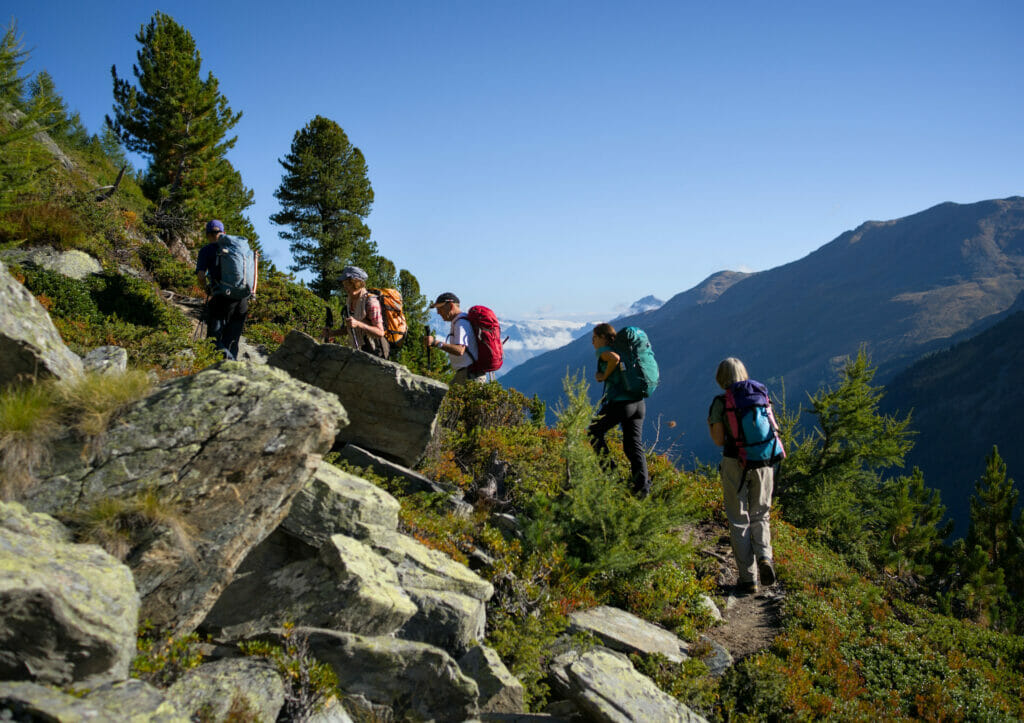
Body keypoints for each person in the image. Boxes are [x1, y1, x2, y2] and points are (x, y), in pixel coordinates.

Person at [707, 357, 777, 596]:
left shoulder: (721, 402)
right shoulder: (760, 395)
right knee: (761, 514)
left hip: (734, 461)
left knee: (739, 518)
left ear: (720, 377)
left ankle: (748, 579)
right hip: (764, 460)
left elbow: (718, 440)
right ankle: (765, 556)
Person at [587, 323, 650, 498]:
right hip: (638, 404)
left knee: (593, 432)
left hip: (621, 404)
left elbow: (614, 358)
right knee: (633, 446)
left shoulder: (604, 351)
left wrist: (603, 376)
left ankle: (612, 476)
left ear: (602, 337)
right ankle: (642, 490)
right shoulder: (627, 351)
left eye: (594, 338)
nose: (592, 342)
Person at [195, 219, 257, 360]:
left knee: (214, 339)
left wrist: (206, 289)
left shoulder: (207, 250)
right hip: (242, 300)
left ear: (207, 234)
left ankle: (216, 368)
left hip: (222, 298)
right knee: (232, 341)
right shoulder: (238, 249)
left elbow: (200, 275)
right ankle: (231, 370)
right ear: (224, 233)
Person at [323, 266, 388, 358]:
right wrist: (332, 333)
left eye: (347, 283)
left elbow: (380, 332)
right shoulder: (349, 301)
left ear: (356, 283)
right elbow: (351, 328)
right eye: (344, 283)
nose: (345, 287)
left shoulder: (371, 302)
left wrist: (358, 324)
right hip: (360, 350)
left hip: (376, 351)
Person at [424, 292, 485, 384]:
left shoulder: (461, 323)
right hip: (468, 373)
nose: (438, 312)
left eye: (440, 308)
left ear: (451, 306)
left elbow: (459, 350)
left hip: (469, 375)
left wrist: (435, 343)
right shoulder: (460, 321)